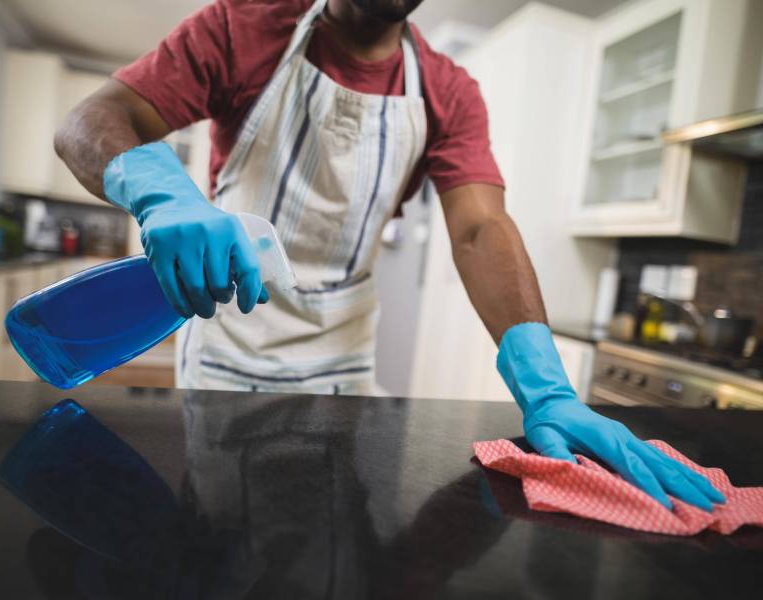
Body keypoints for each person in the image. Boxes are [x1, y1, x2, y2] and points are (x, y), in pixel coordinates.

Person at [55, 0, 725, 512]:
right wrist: (163, 193)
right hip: (230, 344)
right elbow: (90, 119)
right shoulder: (244, 25)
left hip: (341, 364)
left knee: (331, 530)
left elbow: (479, 228)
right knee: (222, 523)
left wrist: (545, 386)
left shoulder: (447, 90)